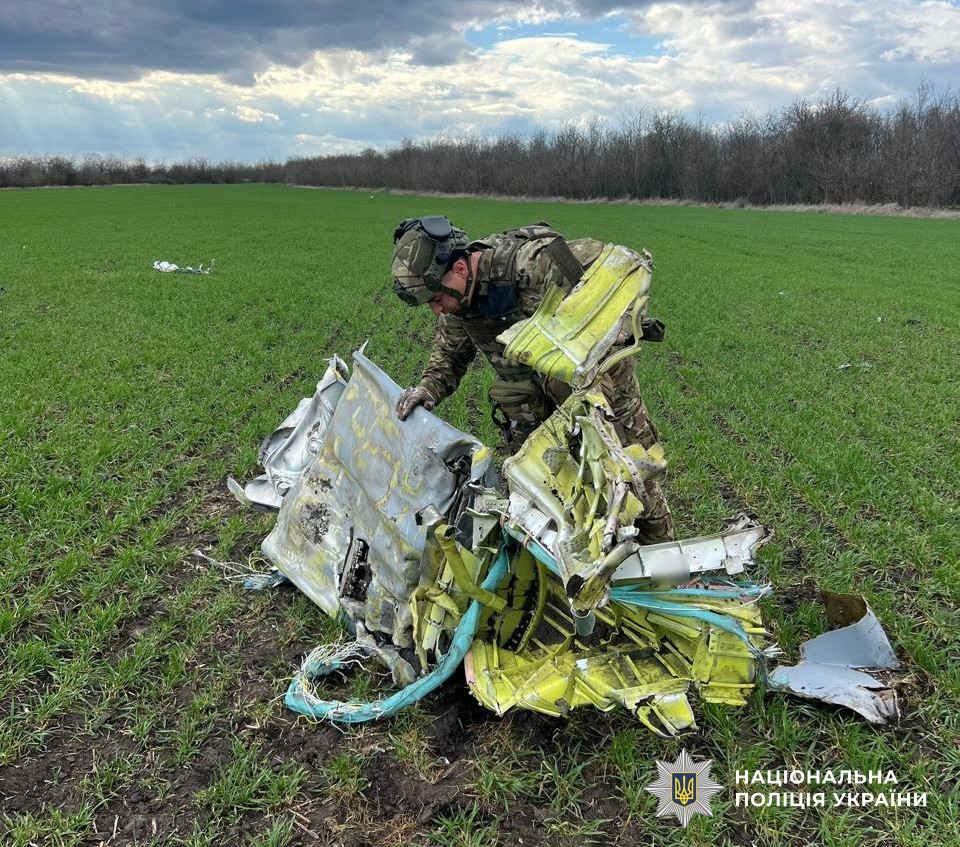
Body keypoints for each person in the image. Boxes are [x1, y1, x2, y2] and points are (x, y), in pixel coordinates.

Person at [390, 216, 673, 544]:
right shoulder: (459, 305)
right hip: (536, 406)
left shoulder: (532, 264)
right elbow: (450, 356)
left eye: (437, 299)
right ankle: (576, 556)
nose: (437, 310)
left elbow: (614, 273)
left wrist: (605, 343)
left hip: (599, 391)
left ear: (460, 269)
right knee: (547, 492)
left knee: (633, 476)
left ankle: (663, 556)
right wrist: (427, 389)